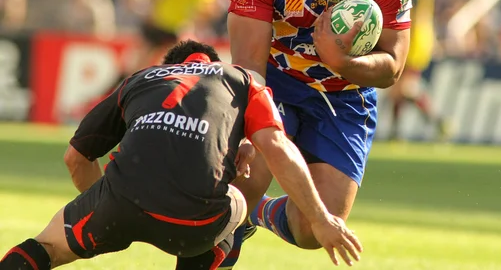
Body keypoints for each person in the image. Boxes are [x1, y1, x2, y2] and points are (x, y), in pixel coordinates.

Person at [0, 40, 362, 270]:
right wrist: (320, 219)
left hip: (120, 201)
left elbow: (75, 158)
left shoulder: (141, 78)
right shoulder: (240, 80)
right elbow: (279, 148)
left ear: (169, 64)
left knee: (45, 246)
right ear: (214, 63)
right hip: (195, 223)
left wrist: (109, 211)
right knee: (238, 199)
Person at [224, 0, 411, 268]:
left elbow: (394, 66)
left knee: (314, 230)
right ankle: (228, 237)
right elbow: (248, 64)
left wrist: (341, 61)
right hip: (275, 84)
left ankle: (262, 214)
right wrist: (241, 126)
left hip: (345, 98)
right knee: (240, 186)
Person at [387, 0, 451, 141]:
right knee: (398, 87)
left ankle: (438, 121)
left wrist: (403, 38)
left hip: (414, 38)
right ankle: (395, 132)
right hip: (421, 36)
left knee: (405, 88)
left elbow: (410, 11)